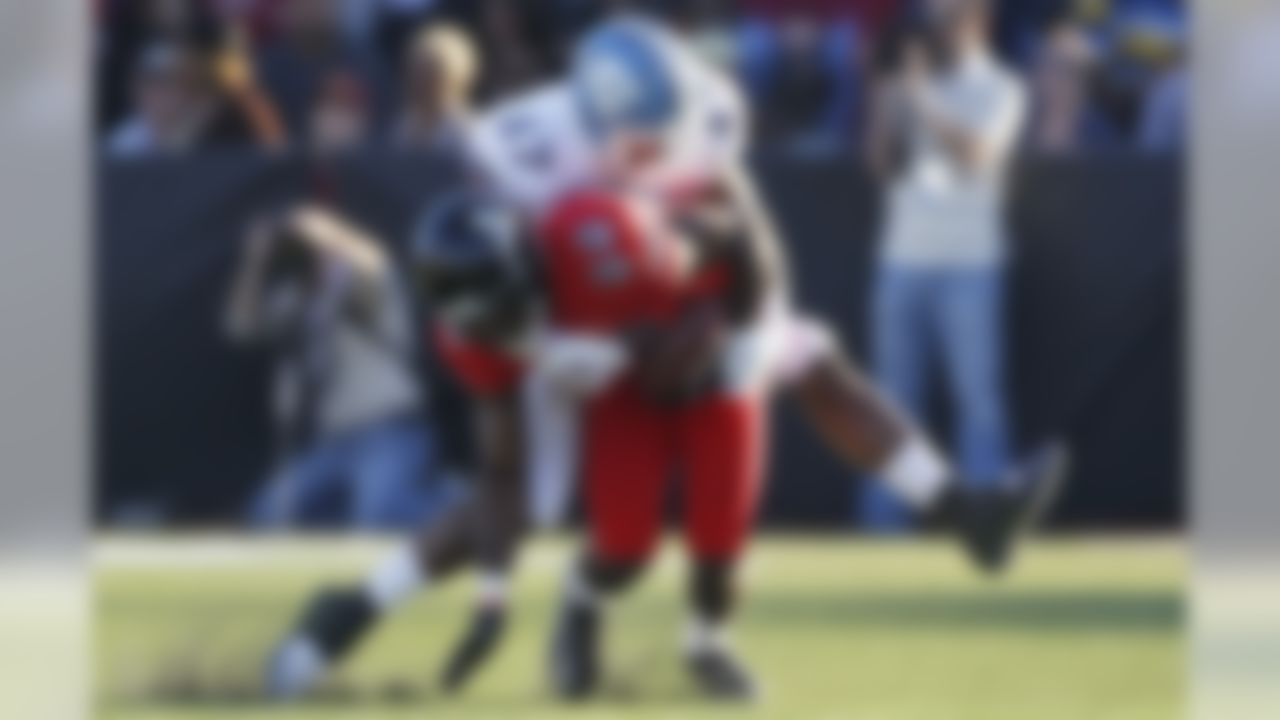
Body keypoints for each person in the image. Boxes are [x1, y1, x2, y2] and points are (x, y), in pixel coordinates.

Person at [264, 15, 1063, 703]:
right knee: (533, 501)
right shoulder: (526, 153)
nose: (656, 155)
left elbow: (754, 239)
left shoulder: (707, 114)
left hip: (680, 283)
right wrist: (551, 349)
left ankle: (964, 509)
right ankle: (347, 612)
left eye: (666, 135)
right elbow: (491, 292)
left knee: (809, 355)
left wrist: (748, 329)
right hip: (561, 309)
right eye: (638, 142)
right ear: (588, 123)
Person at [862, 0, 1028, 530]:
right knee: (890, 405)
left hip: (970, 263)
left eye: (949, 20)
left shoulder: (1002, 87)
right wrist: (886, 100)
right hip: (901, 260)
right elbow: (880, 164)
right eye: (933, 22)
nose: (938, 33)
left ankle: (985, 523)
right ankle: (884, 527)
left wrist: (921, 99)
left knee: (978, 403)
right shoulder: (905, 85)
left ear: (979, 22)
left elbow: (979, 155)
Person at [224, 205, 433, 529]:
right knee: (267, 513)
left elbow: (369, 263)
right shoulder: (303, 298)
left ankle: (459, 503)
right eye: (315, 252)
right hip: (334, 439)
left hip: (389, 427)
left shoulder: (375, 281)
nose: (322, 256)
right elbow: (241, 327)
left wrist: (317, 227)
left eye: (327, 250)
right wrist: (257, 258)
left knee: (379, 517)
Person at [391, 23, 477, 151]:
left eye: (429, 73)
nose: (420, 81)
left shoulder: (465, 131)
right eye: (417, 71)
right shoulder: (404, 125)